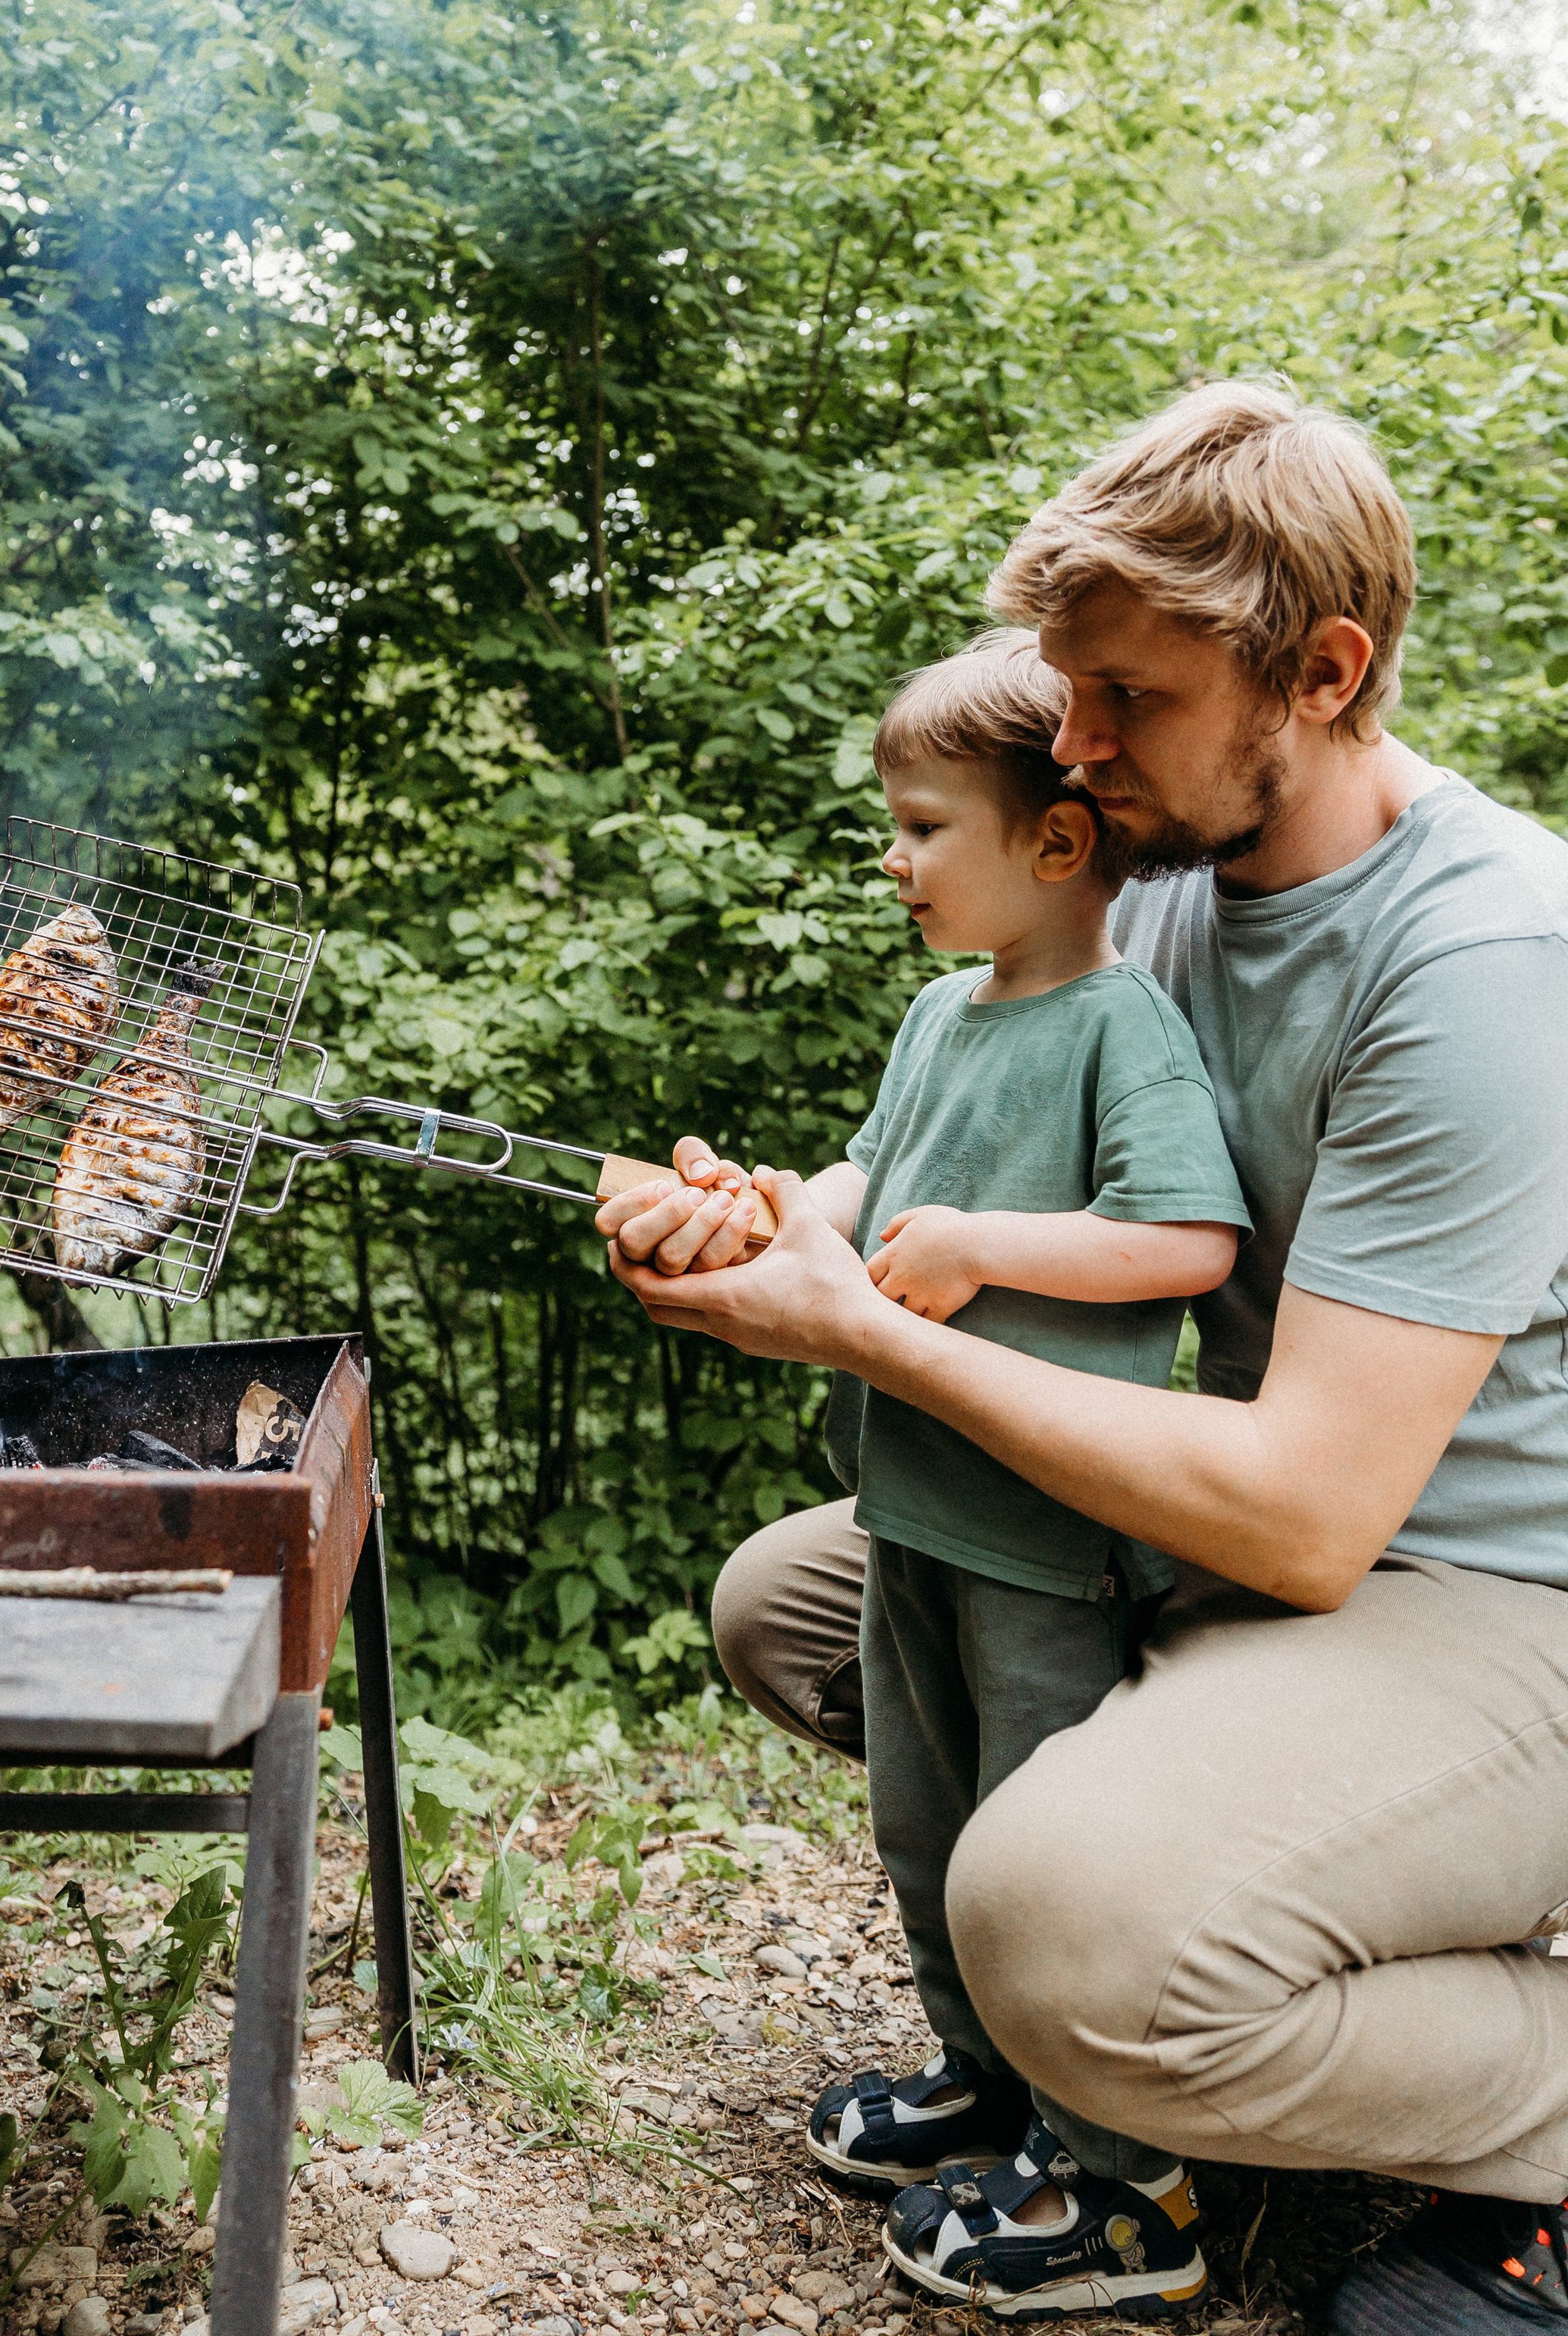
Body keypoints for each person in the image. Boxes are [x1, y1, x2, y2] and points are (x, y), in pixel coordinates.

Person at [597, 384, 1568, 2336]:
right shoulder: (1169, 872)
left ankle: (1502, 2119)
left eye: (1125, 696)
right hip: (1294, 1525)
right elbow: (1006, 1158)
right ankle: (1098, 2045)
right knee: (803, 1607)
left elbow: (1305, 1520)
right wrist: (792, 1232)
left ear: (1320, 672)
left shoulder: (1477, 966)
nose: (1074, 742)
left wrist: (869, 1327)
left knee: (1066, 1924)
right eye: (1066, 688)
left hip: (1489, 1584)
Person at [735, 625, 1249, 2316]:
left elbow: (1180, 1237)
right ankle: (987, 2084)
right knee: (923, 1820)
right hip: (909, 1505)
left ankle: (1126, 2185)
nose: (891, 860)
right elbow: (862, 1177)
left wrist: (980, 1244)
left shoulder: (1120, 1025)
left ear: (1054, 842)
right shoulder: (936, 1014)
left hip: (1042, 1533)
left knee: (1034, 1853)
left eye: (919, 826)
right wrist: (769, 1214)